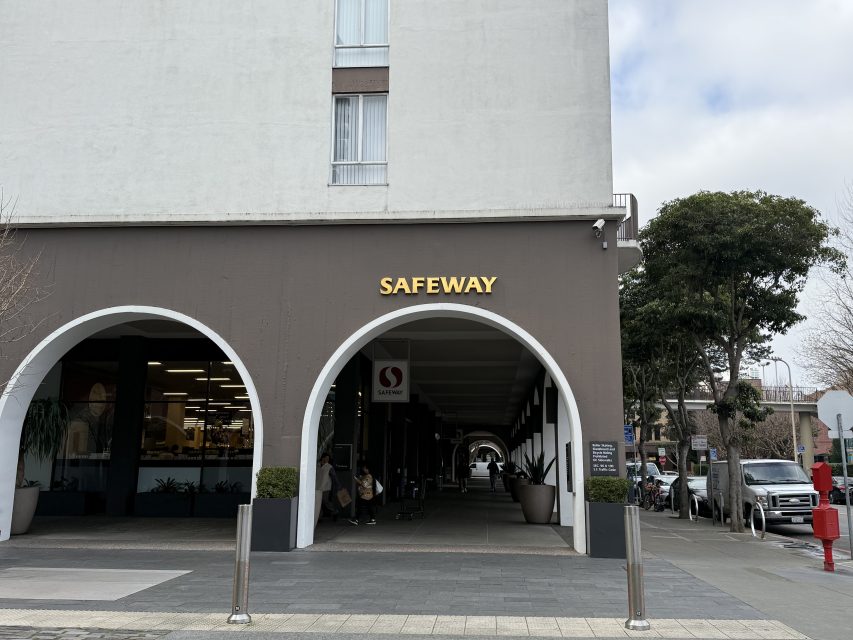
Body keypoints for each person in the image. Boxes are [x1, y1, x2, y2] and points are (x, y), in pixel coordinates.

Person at [316, 453, 339, 520]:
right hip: (317, 486)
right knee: (318, 502)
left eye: (328, 458)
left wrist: (338, 485)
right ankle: (319, 517)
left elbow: (334, 476)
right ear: (322, 458)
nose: (327, 460)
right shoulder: (317, 465)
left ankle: (334, 511)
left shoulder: (329, 467)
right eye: (326, 458)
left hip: (326, 487)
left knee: (325, 501)